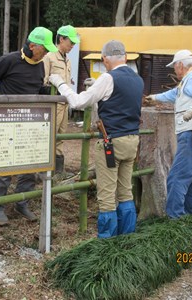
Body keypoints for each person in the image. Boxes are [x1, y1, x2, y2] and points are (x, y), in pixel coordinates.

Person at [49, 40, 143, 238]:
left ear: (105, 59)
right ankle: (127, 237)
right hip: (132, 140)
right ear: (125, 57)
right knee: (126, 192)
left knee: (107, 196)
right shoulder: (138, 80)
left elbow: (78, 101)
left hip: (112, 143)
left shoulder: (108, 78)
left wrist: (60, 83)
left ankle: (106, 243)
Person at [0, 26, 58, 226]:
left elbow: (36, 88)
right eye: (45, 49)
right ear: (33, 45)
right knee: (5, 166)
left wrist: (44, 92)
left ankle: (22, 202)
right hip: (6, 121)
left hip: (30, 122)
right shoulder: (9, 60)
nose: (47, 53)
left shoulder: (40, 65)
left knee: (30, 167)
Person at [146, 49, 192, 219]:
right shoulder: (187, 81)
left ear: (180, 65)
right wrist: (154, 97)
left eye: (174, 67)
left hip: (191, 133)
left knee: (176, 177)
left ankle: (174, 219)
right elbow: (174, 94)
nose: (174, 71)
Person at [43, 25, 79, 175]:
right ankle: (44, 171)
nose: (72, 45)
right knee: (48, 136)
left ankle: (58, 171)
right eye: (70, 42)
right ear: (61, 39)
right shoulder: (49, 56)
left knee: (61, 136)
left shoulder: (67, 59)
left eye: (74, 43)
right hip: (53, 104)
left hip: (64, 104)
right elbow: (44, 81)